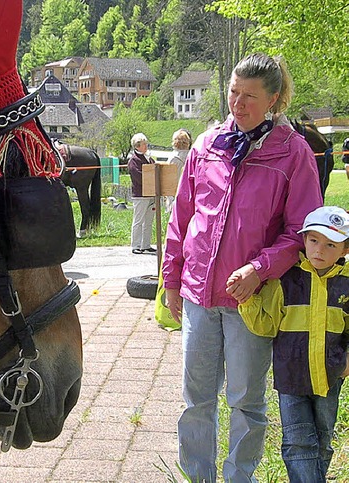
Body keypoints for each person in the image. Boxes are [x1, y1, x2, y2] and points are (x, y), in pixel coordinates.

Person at [162, 52, 323, 482]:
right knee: (195, 399)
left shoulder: (294, 154)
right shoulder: (206, 144)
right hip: (198, 293)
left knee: (246, 401)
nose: (238, 103)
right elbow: (181, 218)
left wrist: (259, 268)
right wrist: (172, 280)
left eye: (250, 96)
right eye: (234, 92)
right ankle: (198, 476)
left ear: (274, 100)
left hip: (250, 300)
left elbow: (300, 232)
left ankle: (239, 478)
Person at [235, 205, 349, 483]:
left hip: (330, 376)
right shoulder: (286, 279)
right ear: (304, 239)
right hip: (291, 378)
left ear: (345, 249)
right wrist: (246, 300)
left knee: (322, 440)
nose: (320, 250)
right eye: (314, 241)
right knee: (298, 441)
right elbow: (266, 325)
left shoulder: (347, 283)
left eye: (331, 245)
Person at [128, 133, 156, 254]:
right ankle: (136, 245)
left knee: (148, 221)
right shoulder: (134, 160)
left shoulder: (148, 158)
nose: (146, 146)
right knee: (138, 220)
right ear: (137, 146)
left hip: (151, 194)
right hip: (140, 195)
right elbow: (138, 177)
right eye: (144, 144)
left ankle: (146, 244)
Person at [164, 129, 192, 212]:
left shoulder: (173, 158)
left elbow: (168, 179)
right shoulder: (192, 155)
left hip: (175, 193)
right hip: (189, 192)